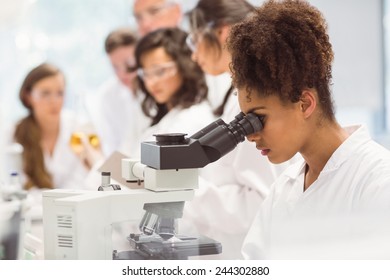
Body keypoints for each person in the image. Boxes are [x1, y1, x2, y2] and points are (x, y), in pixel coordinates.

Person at [226, 0, 390, 259]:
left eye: (258, 118)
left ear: (304, 104)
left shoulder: (377, 181)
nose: (250, 135)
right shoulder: (283, 190)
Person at [182, 0, 295, 259]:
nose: (193, 54)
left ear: (223, 32)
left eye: (194, 40)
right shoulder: (236, 97)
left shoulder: (255, 103)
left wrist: (185, 193)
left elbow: (261, 202)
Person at [120, 27, 214, 158]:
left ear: (185, 65)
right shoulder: (166, 117)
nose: (151, 83)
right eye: (146, 74)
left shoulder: (193, 119)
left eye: (160, 72)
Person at [132, 0, 231, 111]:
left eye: (154, 11)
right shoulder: (145, 84)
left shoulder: (213, 54)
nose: (145, 24)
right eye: (138, 18)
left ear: (177, 11)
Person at [10, 63, 88, 190]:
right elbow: (14, 184)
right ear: (28, 97)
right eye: (45, 93)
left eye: (60, 93)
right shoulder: (14, 134)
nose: (54, 101)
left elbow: (82, 179)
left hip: (72, 205)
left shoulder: (77, 128)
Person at [84, 27, 149, 157]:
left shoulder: (156, 88)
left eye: (129, 64)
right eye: (115, 67)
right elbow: (110, 146)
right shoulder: (107, 96)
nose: (122, 73)